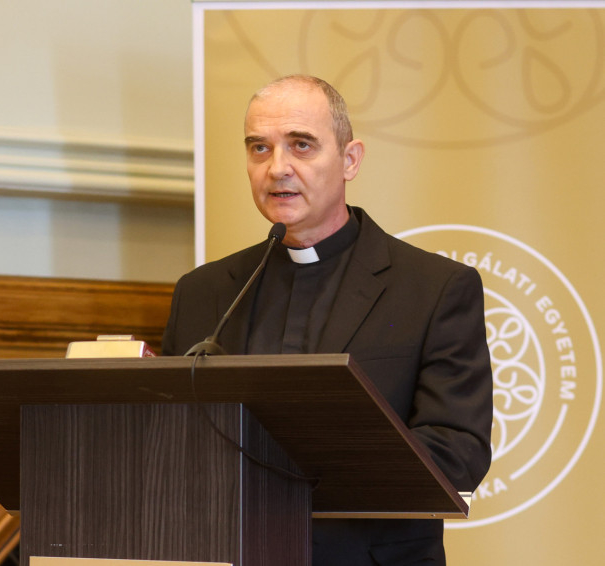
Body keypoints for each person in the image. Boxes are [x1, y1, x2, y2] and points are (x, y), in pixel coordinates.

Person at [161, 75, 493, 565]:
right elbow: (169, 442)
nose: (277, 168)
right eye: (259, 148)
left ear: (350, 160)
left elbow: (457, 451)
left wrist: (305, 463)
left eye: (301, 145)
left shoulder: (434, 288)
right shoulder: (203, 292)